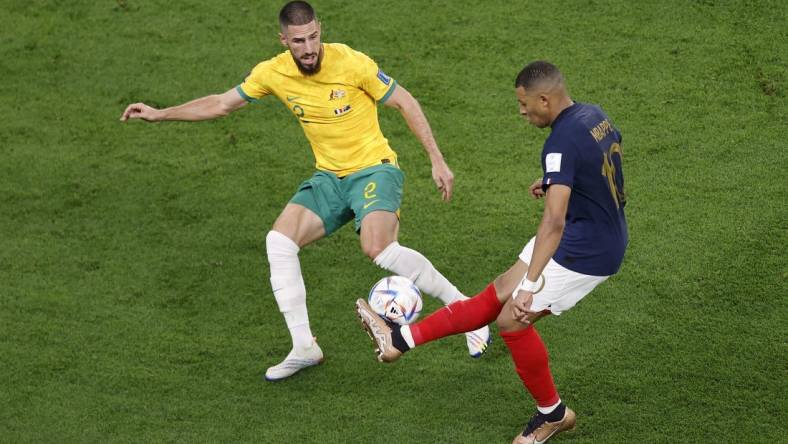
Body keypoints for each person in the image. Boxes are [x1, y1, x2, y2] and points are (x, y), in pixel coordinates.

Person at [119, 1, 491, 381]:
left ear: (321, 30)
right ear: (284, 40)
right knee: (279, 242)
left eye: (314, 36)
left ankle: (467, 310)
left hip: (374, 169)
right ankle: (304, 346)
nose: (309, 47)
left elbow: (404, 101)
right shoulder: (273, 72)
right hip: (330, 177)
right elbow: (221, 104)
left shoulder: (351, 62)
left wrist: (437, 159)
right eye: (299, 41)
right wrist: (160, 113)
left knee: (378, 248)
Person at [356, 61, 628, 443]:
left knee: (512, 319)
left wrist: (531, 285)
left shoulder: (560, 143)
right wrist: (556, 181)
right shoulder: (593, 115)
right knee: (498, 292)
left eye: (524, 104)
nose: (521, 111)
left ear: (545, 100)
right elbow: (602, 160)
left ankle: (552, 415)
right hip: (592, 231)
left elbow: (553, 223)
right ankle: (398, 341)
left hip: (586, 251)